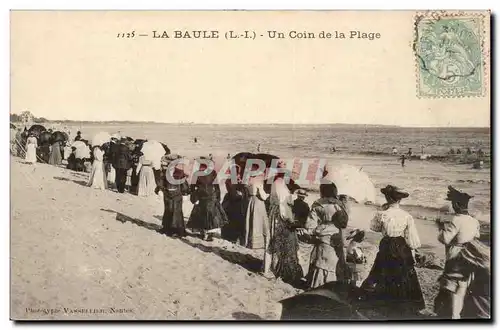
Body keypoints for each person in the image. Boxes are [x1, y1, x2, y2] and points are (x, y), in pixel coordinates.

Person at [361, 185, 424, 317]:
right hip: (401, 245)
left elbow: (374, 228)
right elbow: (412, 239)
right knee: (402, 273)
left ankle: (384, 300)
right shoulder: (407, 216)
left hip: (387, 244)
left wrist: (383, 211)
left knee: (383, 269)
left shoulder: (382, 214)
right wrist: (413, 249)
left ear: (387, 198)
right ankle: (401, 302)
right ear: (399, 200)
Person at [433, 186, 481, 319]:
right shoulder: (474, 221)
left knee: (452, 285)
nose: (452, 207)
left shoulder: (456, 220)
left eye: (453, 204)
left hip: (456, 254)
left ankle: (453, 316)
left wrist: (441, 228)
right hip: (470, 254)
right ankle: (457, 312)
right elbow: (476, 237)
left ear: (456, 205)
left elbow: (445, 239)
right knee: (463, 284)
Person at [299, 181, 349, 289]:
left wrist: (312, 232)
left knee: (322, 260)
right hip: (337, 233)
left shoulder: (318, 204)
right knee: (337, 259)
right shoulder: (339, 204)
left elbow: (310, 224)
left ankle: (319, 284)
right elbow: (345, 221)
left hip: (323, 233)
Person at [265, 173, 303, 284]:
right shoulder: (280, 184)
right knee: (276, 242)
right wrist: (289, 220)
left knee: (274, 241)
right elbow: (282, 205)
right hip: (280, 217)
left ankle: (272, 268)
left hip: (276, 215)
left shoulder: (277, 183)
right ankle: (272, 269)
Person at [187, 161, 229, 241]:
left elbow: (192, 188)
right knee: (211, 216)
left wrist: (194, 198)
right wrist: (218, 197)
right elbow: (216, 186)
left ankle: (204, 234)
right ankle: (208, 234)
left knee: (202, 216)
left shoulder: (197, 174)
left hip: (203, 197)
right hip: (210, 196)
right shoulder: (212, 172)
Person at [156, 154, 190, 237]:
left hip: (177, 195)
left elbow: (183, 184)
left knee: (177, 212)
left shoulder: (180, 172)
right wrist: (159, 190)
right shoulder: (164, 172)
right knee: (168, 210)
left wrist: (185, 193)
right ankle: (167, 228)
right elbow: (161, 181)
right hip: (167, 194)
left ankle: (178, 230)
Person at [241, 165, 269, 249]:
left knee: (250, 221)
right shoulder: (258, 182)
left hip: (249, 201)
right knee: (258, 222)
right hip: (258, 202)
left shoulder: (247, 180)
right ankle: (257, 243)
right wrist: (267, 195)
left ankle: (248, 241)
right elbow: (263, 196)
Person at [221, 167, 250, 243]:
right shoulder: (229, 181)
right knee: (232, 220)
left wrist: (242, 185)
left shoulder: (238, 181)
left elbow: (243, 192)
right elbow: (233, 193)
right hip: (233, 203)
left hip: (239, 203)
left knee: (238, 221)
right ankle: (232, 237)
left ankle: (237, 237)